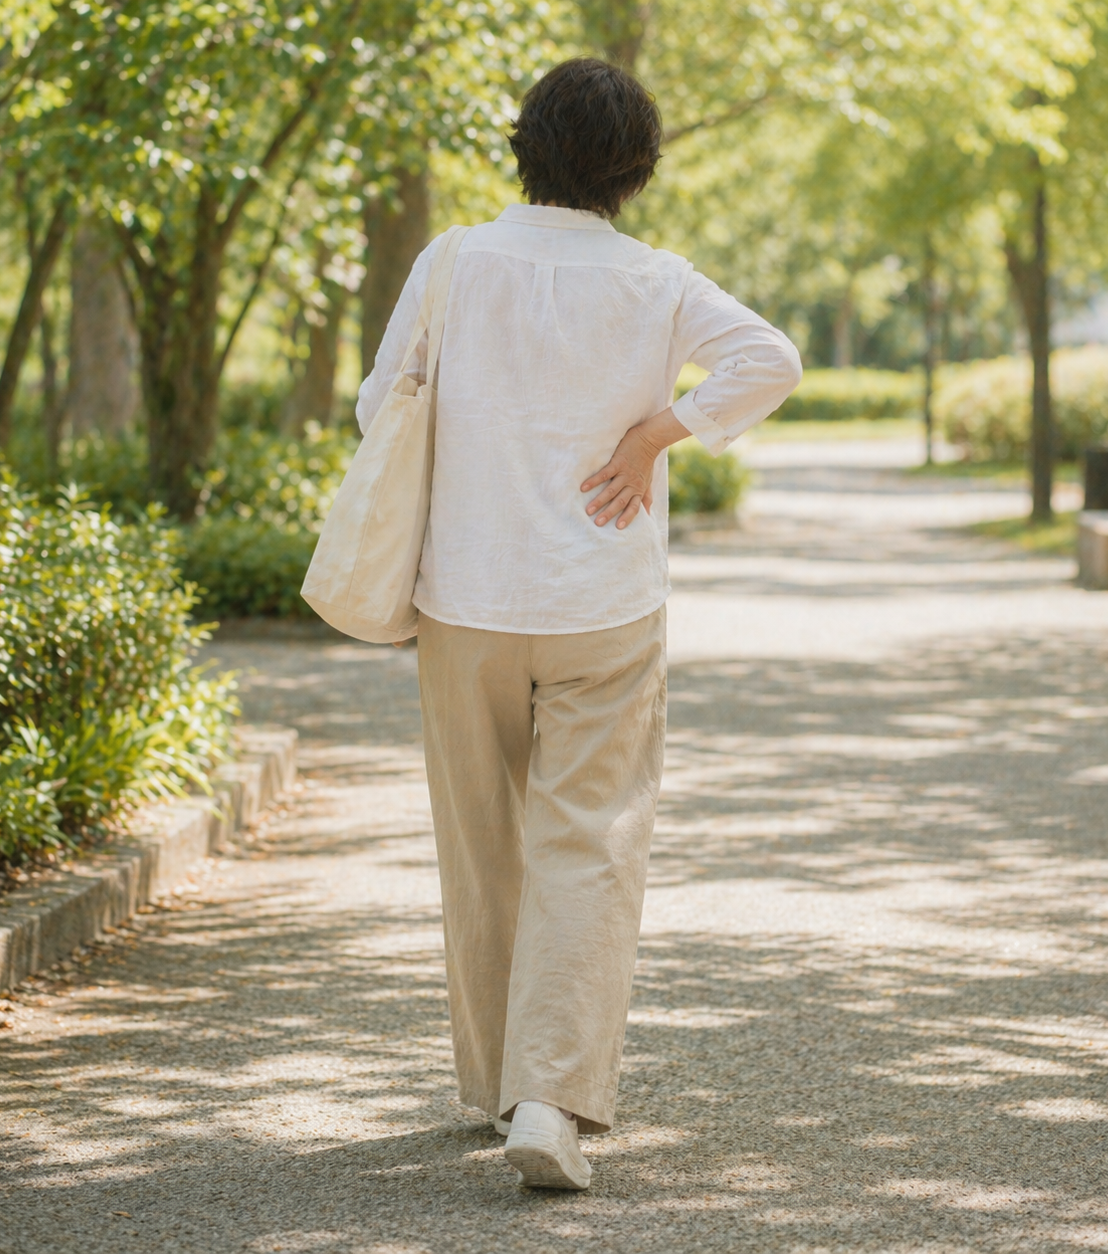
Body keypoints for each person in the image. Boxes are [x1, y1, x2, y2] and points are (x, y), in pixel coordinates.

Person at [355, 57, 802, 1190]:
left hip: (466, 598)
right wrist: (661, 432)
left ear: (523, 144)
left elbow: (379, 405)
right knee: (588, 845)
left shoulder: (453, 260)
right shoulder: (656, 280)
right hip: (605, 601)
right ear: (635, 169)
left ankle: (499, 1083)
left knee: (482, 842)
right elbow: (770, 360)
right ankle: (549, 1101)